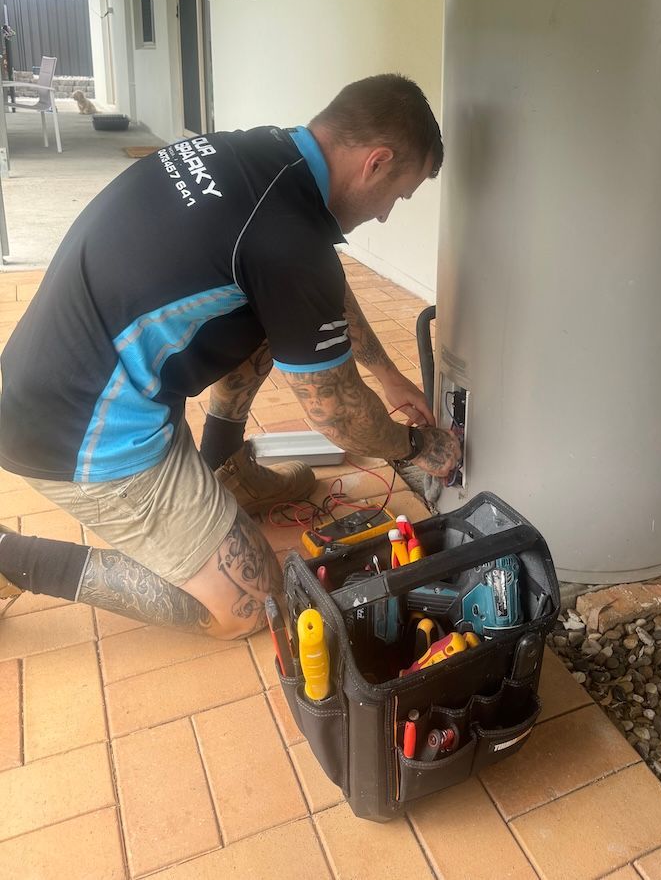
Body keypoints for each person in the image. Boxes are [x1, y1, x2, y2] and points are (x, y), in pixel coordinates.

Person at [0, 74, 460, 638]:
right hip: (81, 433)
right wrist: (415, 446)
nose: (387, 213)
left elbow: (317, 294)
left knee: (273, 320)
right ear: (377, 163)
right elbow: (336, 415)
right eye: (398, 195)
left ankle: (225, 467)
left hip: (50, 375)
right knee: (252, 602)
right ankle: (12, 558)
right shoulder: (289, 237)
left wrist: (386, 374)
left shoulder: (264, 156)